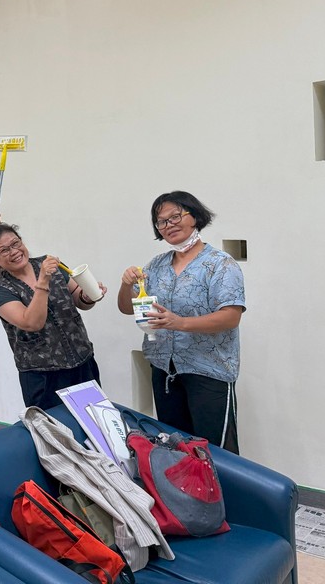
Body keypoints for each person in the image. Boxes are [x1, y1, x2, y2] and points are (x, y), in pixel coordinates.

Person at [117, 191, 245, 453]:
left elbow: (231, 316)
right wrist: (126, 285)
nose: (169, 225)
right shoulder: (155, 266)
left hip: (208, 371)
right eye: (161, 222)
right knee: (175, 449)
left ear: (194, 216)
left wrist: (179, 323)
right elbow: (127, 308)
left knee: (216, 452)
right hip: (164, 370)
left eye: (175, 217)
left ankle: (220, 483)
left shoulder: (220, 264)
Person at [0, 222, 105, 410]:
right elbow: (32, 323)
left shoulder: (49, 264)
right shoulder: (1, 291)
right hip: (42, 376)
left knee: (95, 420)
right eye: (4, 250)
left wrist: (88, 296)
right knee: (54, 426)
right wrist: (43, 281)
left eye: (15, 243)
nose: (14, 251)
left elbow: (80, 300)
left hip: (82, 361)